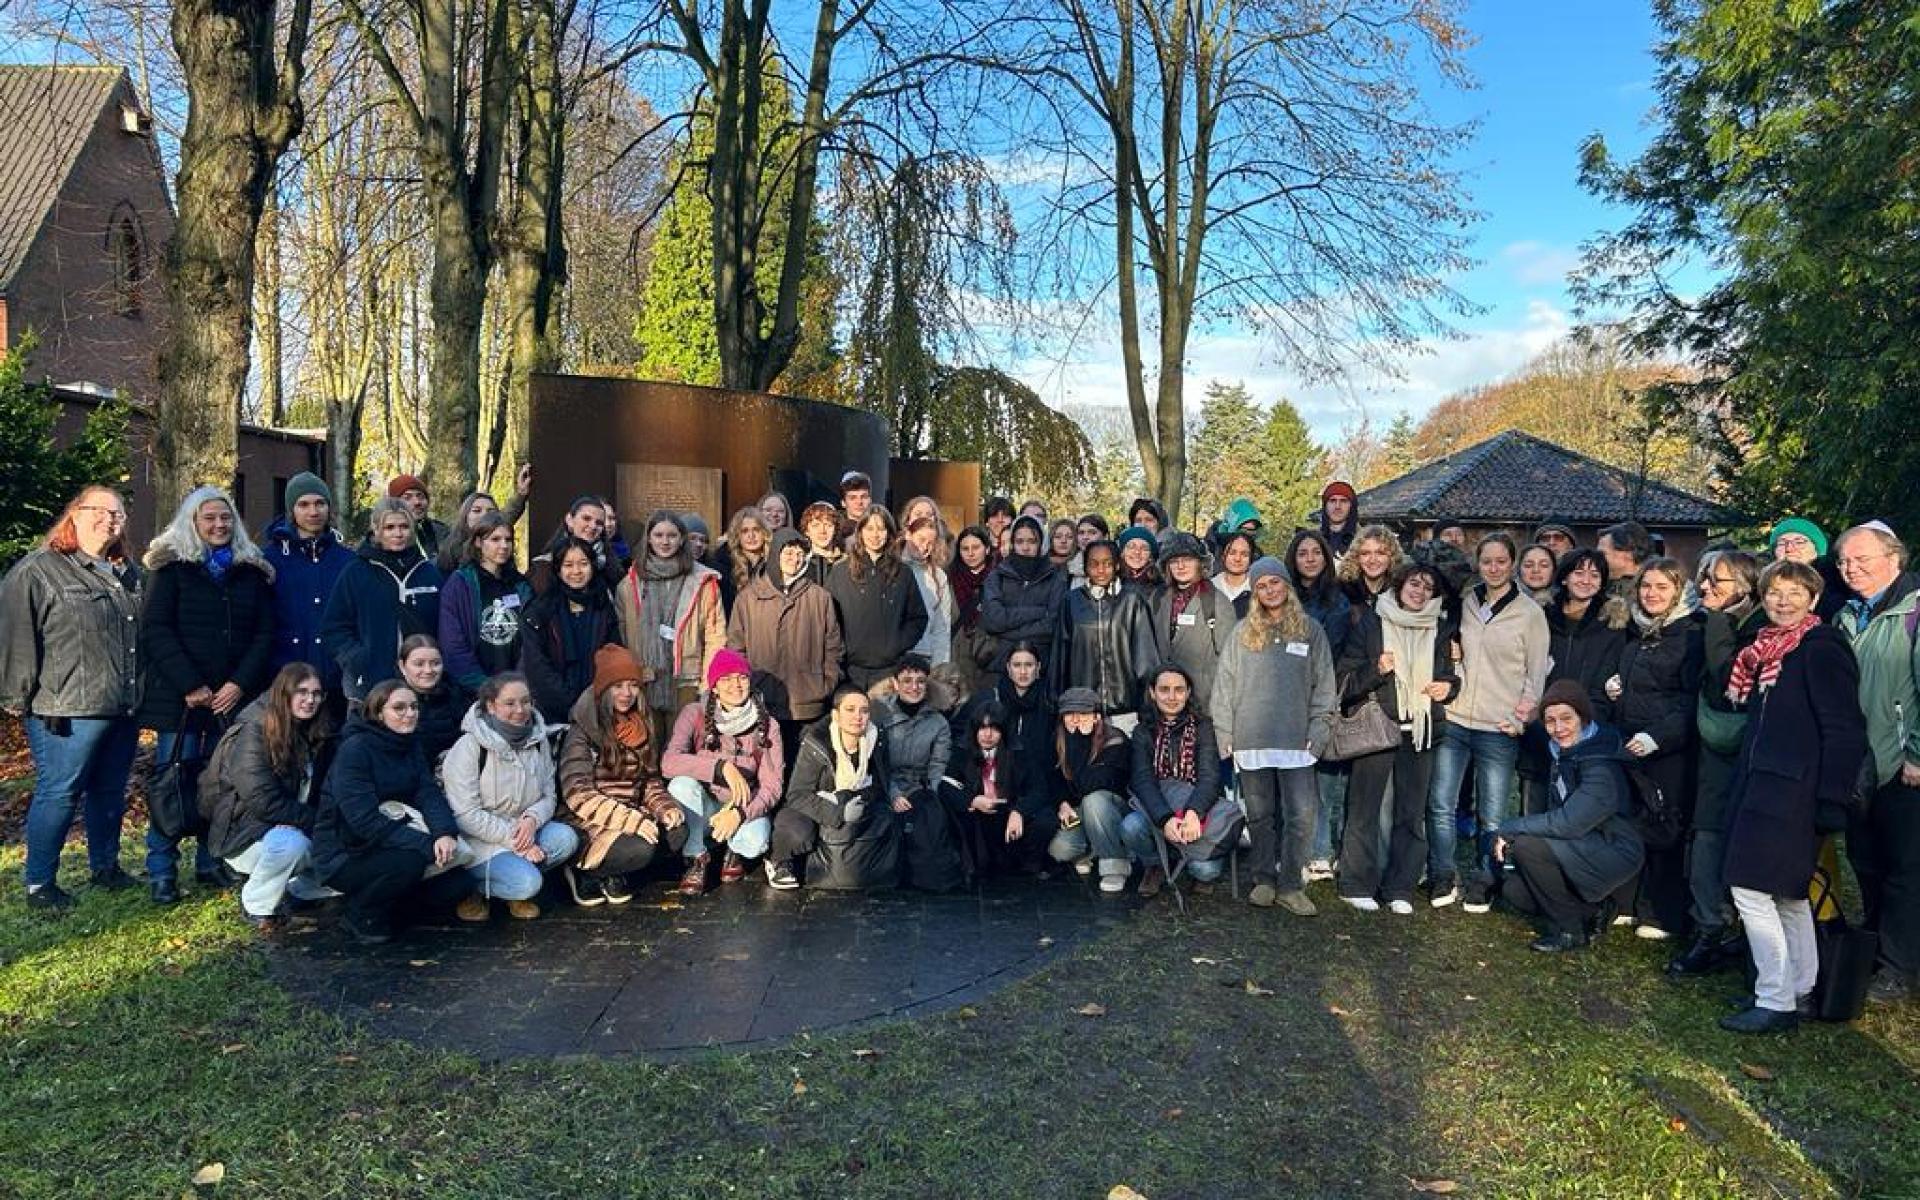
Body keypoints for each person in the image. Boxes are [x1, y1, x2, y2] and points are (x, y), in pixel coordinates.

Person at [1718, 560, 1868, 1032]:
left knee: (1749, 887)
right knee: (1787, 893)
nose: (1783, 602)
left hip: (1794, 791)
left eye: (1795, 593)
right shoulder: (1764, 652)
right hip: (1762, 783)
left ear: (1814, 599)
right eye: (1774, 593)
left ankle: (1775, 998)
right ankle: (1800, 988)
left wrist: (1831, 798)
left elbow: (1844, 729)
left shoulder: (1819, 648)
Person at [0, 486, 143, 909]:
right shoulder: (39, 570)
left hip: (121, 705)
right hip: (64, 708)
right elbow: (16, 638)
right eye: (99, 512)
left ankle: (106, 867)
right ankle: (40, 883)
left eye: (117, 515)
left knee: (109, 791)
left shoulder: (126, 573)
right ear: (75, 515)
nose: (109, 521)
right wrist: (16, 697)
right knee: (59, 792)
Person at [136, 485, 279, 904]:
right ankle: (161, 869)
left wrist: (238, 684)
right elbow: (156, 629)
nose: (218, 525)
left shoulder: (250, 571)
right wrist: (190, 685)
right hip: (180, 700)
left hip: (232, 697)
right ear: (193, 522)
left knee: (220, 783)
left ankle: (210, 860)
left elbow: (263, 633)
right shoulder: (172, 569)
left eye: (225, 518)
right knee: (172, 780)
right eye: (209, 518)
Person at [1426, 533, 1549, 912]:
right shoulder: (1467, 602)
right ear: (1477, 564)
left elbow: (1537, 673)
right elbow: (1456, 652)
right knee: (1441, 803)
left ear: (1512, 564)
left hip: (1499, 726)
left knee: (1492, 812)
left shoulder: (1530, 613)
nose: (1493, 568)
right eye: (1486, 561)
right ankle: (1443, 873)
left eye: (1501, 561)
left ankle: (1486, 876)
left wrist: (1521, 718)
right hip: (1459, 719)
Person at [1214, 556, 1337, 914]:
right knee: (1260, 814)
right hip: (1251, 738)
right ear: (1254, 591)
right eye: (1262, 585)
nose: (1269, 590)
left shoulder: (1310, 630)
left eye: (1275, 583)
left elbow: (1325, 685)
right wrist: (1225, 732)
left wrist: (1320, 727)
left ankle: (1291, 885)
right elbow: (1224, 687)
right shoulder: (1242, 632)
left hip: (1298, 740)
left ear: (1287, 585)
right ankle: (1264, 879)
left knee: (1302, 814)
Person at [310, 679, 475, 944]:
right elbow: (363, 820)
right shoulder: (355, 750)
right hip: (346, 851)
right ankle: (359, 912)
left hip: (393, 838)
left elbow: (428, 793)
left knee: (459, 884)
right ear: (378, 713)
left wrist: (444, 833)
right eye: (399, 708)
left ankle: (390, 906)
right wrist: (426, 844)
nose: (409, 714)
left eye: (413, 707)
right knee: (408, 865)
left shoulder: (410, 744)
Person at [1831, 521, 1920, 1003]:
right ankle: (1874, 951)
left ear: (1894, 558)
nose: (1851, 569)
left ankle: (1899, 967)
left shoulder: (1915, 611)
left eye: (1862, 559)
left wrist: (1918, 755)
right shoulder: (1846, 615)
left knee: (1907, 870)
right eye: (1845, 560)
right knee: (1865, 862)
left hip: (1904, 766)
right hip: (1858, 764)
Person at [1337, 564, 1458, 914]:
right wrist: (1376, 670)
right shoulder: (1372, 624)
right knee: (1364, 810)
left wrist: (1448, 687)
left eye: (1428, 588)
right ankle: (1357, 884)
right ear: (1400, 585)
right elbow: (1345, 679)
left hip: (1421, 731)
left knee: (1411, 812)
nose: (1419, 591)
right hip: (1378, 727)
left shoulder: (1440, 628)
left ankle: (1400, 887)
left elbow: (1451, 677)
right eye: (1414, 584)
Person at [1492, 681, 1645, 953]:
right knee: (1515, 892)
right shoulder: (1563, 753)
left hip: (1614, 847)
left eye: (1566, 718)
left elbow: (1569, 823)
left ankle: (1569, 931)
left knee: (1528, 846)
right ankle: (1593, 910)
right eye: (1550, 721)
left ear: (1583, 718)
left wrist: (1509, 828)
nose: (1558, 728)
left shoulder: (1600, 764)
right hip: (1582, 844)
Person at [1670, 549, 1767, 976]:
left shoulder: (1758, 630)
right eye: (1703, 577)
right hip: (1709, 749)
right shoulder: (1711, 622)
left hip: (1745, 751)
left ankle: (1728, 930)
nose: (1704, 586)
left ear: (1745, 588)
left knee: (1725, 838)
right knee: (1705, 835)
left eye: (1717, 581)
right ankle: (1709, 923)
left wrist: (1717, 622)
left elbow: (1726, 675)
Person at [1604, 557, 1704, 940]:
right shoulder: (1637, 631)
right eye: (1647, 586)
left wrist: (1658, 737)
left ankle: (1659, 911)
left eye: (1663, 587)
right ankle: (1626, 901)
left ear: (1678, 591)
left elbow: (1688, 699)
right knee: (1629, 823)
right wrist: (1616, 689)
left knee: (1664, 826)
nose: (1652, 594)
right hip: (1629, 742)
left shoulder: (1689, 635)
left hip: (1666, 749)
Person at [200, 663, 336, 933]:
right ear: (283, 693)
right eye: (302, 692)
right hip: (246, 832)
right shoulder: (253, 731)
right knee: (291, 844)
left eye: (317, 693)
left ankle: (302, 891)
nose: (311, 700)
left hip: (291, 822)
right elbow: (262, 799)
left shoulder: (315, 730)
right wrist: (313, 821)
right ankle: (257, 904)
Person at [556, 645, 689, 905]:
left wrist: (665, 807)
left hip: (631, 810)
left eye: (633, 685)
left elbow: (649, 780)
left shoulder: (642, 722)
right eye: (618, 686)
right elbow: (577, 794)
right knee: (640, 848)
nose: (627, 694)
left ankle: (615, 872)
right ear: (604, 689)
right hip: (590, 816)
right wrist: (631, 821)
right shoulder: (582, 729)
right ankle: (587, 872)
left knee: (677, 832)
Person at [443, 673, 576, 920]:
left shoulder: (538, 740)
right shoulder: (469, 747)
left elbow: (549, 794)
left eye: (526, 702)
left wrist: (532, 820)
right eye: (510, 703)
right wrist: (516, 842)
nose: (520, 710)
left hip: (525, 829)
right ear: (491, 706)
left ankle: (511, 882)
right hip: (482, 840)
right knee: (528, 884)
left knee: (566, 839)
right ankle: (476, 890)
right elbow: (465, 814)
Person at [662, 648, 784, 894]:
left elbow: (772, 787)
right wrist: (721, 767)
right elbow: (669, 762)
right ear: (714, 687)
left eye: (741, 677)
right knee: (680, 785)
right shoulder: (694, 713)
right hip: (703, 807)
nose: (735, 685)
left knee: (756, 843)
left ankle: (733, 849)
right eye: (726, 679)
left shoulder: (768, 725)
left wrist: (739, 813)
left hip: (741, 805)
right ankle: (696, 856)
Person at [1522, 549, 1630, 817]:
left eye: (1595, 575)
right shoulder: (1541, 616)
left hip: (1587, 728)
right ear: (1565, 578)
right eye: (1578, 572)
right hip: (1540, 722)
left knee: (1575, 805)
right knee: (1535, 794)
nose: (1586, 580)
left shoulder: (1613, 624)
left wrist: (1587, 721)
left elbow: (1610, 678)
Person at [1122, 663, 1241, 897]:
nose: (1172, 696)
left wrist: (1193, 813)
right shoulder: (1142, 731)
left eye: (1179, 689)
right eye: (1164, 689)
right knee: (1131, 827)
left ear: (1188, 693)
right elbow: (1143, 779)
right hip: (1160, 809)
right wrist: (1165, 819)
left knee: (1205, 871)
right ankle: (1155, 863)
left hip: (1197, 812)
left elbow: (1210, 776)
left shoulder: (1204, 727)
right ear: (1153, 692)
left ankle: (1184, 855)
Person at [727, 527, 844, 758]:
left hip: (808, 702)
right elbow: (736, 649)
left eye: (800, 554)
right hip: (763, 699)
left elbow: (834, 648)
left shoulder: (820, 598)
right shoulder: (748, 598)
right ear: (775, 554)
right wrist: (749, 685)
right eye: (788, 553)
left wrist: (825, 684)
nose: (795, 559)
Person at [767, 685, 898, 889]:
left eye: (864, 711)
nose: (858, 717)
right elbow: (797, 794)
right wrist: (838, 810)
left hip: (855, 802)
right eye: (850, 709)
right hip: (816, 802)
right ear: (836, 715)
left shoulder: (876, 740)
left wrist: (857, 799)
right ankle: (780, 861)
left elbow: (880, 784)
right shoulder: (816, 743)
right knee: (796, 831)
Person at [616, 510, 728, 744]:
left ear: (681, 539)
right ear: (648, 538)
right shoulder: (630, 583)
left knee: (683, 747)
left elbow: (715, 634)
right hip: (644, 679)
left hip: (686, 678)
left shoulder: (703, 581)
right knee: (647, 746)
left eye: (671, 535)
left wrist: (708, 683)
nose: (665, 541)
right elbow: (622, 631)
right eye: (658, 535)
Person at [320, 498, 444, 704]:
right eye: (390, 527)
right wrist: (358, 659)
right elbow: (333, 627)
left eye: (404, 527)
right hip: (368, 687)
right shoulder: (356, 572)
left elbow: (444, 627)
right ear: (376, 530)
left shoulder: (428, 573)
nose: (398, 534)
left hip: (422, 685)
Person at [869, 655, 965, 890]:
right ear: (895, 682)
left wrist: (929, 795)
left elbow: (937, 764)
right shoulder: (880, 714)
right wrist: (893, 794)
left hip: (918, 787)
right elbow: (877, 762)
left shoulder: (938, 722)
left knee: (929, 821)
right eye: (907, 680)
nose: (914, 687)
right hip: (883, 784)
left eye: (920, 681)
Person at [259, 472, 355, 701]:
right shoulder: (268, 559)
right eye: (304, 504)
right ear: (291, 510)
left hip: (336, 680)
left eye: (320, 503)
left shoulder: (348, 560)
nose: (313, 512)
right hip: (284, 678)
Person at [1051, 540, 1157, 729]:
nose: (1101, 570)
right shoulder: (1071, 602)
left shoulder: (1132, 601)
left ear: (1117, 565)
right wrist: (1058, 701)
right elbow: (1061, 658)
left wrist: (1148, 707)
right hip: (1082, 711)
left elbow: (1145, 659)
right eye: (1094, 564)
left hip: (1125, 711)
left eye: (1107, 563)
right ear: (1085, 567)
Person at [944, 701, 1057, 876]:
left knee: (1045, 820)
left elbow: (1039, 790)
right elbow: (946, 786)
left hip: (1010, 810)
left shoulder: (1020, 751)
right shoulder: (962, 750)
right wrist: (972, 800)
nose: (987, 735)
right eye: (982, 728)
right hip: (980, 815)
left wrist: (1019, 811)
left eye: (994, 729)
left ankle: (1028, 865)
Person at [520, 538, 621, 726]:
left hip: (595, 709)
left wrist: (589, 702)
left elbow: (612, 654)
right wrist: (569, 702)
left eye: (583, 564)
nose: (576, 571)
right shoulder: (539, 611)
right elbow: (536, 665)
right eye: (568, 565)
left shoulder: (604, 607)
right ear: (558, 569)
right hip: (549, 712)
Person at [1044, 688, 1136, 892]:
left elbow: (1094, 783)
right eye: (1070, 714)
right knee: (1060, 850)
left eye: (1083, 713)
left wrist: (1080, 741)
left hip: (1111, 808)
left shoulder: (1115, 740)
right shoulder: (1060, 739)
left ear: (1096, 717)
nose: (1076, 720)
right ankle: (1093, 849)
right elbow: (1054, 778)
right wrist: (1063, 804)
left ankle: (1115, 865)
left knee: (1093, 801)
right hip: (1080, 809)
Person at [828, 507, 930, 690]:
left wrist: (896, 646)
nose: (875, 535)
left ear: (889, 533)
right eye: (869, 528)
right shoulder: (840, 571)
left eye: (881, 529)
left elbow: (918, 618)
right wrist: (843, 649)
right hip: (849, 669)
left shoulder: (903, 573)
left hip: (888, 670)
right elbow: (827, 619)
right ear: (860, 532)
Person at [438, 512, 533, 692]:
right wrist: (485, 687)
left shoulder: (521, 585)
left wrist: (518, 685)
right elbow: (453, 645)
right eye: (495, 539)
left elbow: (530, 641)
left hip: (517, 690)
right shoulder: (459, 584)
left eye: (508, 539)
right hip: (471, 691)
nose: (504, 546)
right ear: (478, 542)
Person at [1150, 533, 1235, 714]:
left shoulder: (1216, 602)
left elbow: (1231, 661)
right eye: (1174, 561)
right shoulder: (1158, 599)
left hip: (1203, 706)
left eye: (1187, 559)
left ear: (1200, 563)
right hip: (1164, 706)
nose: (1181, 566)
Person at [981, 515, 1069, 677]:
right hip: (1000, 665)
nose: (1026, 547)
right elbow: (993, 621)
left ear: (1041, 544)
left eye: (1032, 541)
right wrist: (1038, 612)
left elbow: (1052, 626)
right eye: (1020, 541)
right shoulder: (997, 576)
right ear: (1013, 543)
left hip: (1041, 668)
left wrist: (1005, 633)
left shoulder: (1055, 578)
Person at [395, 636, 470, 762]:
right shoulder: (387, 700)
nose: (428, 670)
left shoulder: (461, 697)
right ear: (402, 666)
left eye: (435, 663)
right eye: (419, 664)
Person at [529, 496, 621, 596]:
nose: (593, 526)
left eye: (599, 523)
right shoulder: (543, 568)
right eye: (586, 518)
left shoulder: (610, 566)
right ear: (569, 520)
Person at [901, 513, 956, 668]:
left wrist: (940, 667)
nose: (925, 546)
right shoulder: (891, 568)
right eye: (921, 539)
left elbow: (942, 628)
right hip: (894, 657)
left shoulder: (938, 576)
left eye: (930, 543)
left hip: (925, 656)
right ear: (908, 535)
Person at [948, 525, 998, 693]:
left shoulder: (999, 578)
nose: (970, 553)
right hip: (957, 655)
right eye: (965, 548)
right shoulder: (949, 578)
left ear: (987, 548)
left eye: (976, 547)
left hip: (989, 655)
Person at [1767, 516, 1847, 620]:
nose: (1789, 549)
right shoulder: (1765, 587)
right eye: (1782, 543)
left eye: (1799, 542)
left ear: (1817, 549)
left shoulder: (1837, 584)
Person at [711, 504, 772, 613]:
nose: (751, 536)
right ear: (737, 535)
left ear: (764, 533)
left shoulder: (775, 561)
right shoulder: (723, 565)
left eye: (756, 530)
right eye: (745, 531)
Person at [1336, 525, 1406, 610]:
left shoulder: (1402, 591)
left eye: (1380, 553)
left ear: (1392, 556)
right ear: (1356, 556)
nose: (1372, 560)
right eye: (1365, 553)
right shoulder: (1340, 590)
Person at [386, 473, 452, 562]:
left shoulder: (441, 532)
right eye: (407, 498)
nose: (417, 502)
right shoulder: (383, 538)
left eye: (420, 496)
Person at [1596, 522, 1652, 605]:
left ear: (1629, 553)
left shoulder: (1649, 593)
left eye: (1603, 554)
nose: (1596, 559)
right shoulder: (1601, 586)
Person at [799, 500, 847, 585]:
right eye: (816, 525)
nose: (822, 531)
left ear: (836, 529)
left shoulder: (847, 563)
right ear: (806, 530)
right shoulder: (800, 564)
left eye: (828, 525)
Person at [1212, 531, 1257, 618]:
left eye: (1244, 554)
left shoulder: (1258, 589)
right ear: (1223, 555)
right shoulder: (1210, 588)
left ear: (1251, 558)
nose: (1237, 558)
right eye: (1232, 553)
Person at [1315, 482, 1360, 558]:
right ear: (1325, 505)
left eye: (1343, 501)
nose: (1337, 506)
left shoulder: (1364, 539)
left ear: (1351, 506)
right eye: (1332, 501)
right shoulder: (1313, 539)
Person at [1116, 525, 1161, 593]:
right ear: (1122, 553)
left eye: (1144, 548)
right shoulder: (1111, 580)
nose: (1137, 552)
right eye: (1131, 547)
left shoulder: (1160, 586)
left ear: (1150, 557)